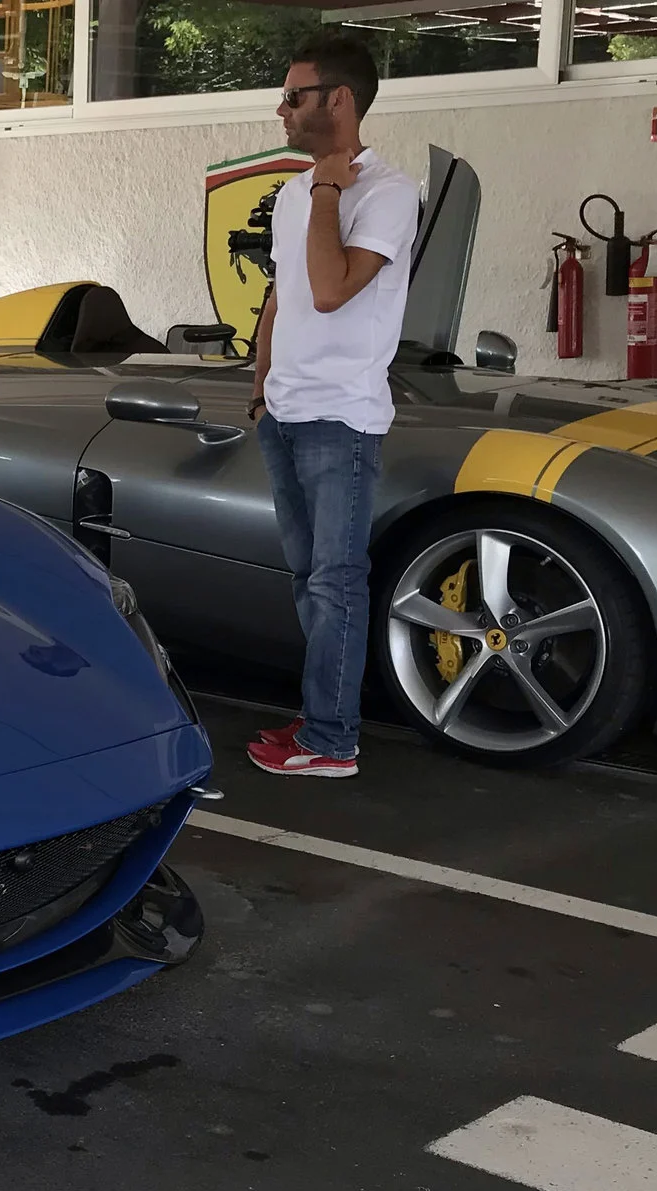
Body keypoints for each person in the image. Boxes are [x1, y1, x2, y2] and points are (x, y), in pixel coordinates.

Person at [243, 34, 418, 779]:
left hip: (341, 419)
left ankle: (331, 740)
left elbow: (331, 286)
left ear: (338, 100)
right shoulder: (293, 191)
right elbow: (283, 297)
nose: (281, 109)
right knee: (305, 578)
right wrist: (259, 390)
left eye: (294, 95)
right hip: (284, 415)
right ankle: (320, 715)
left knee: (336, 580)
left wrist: (326, 189)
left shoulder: (386, 191)